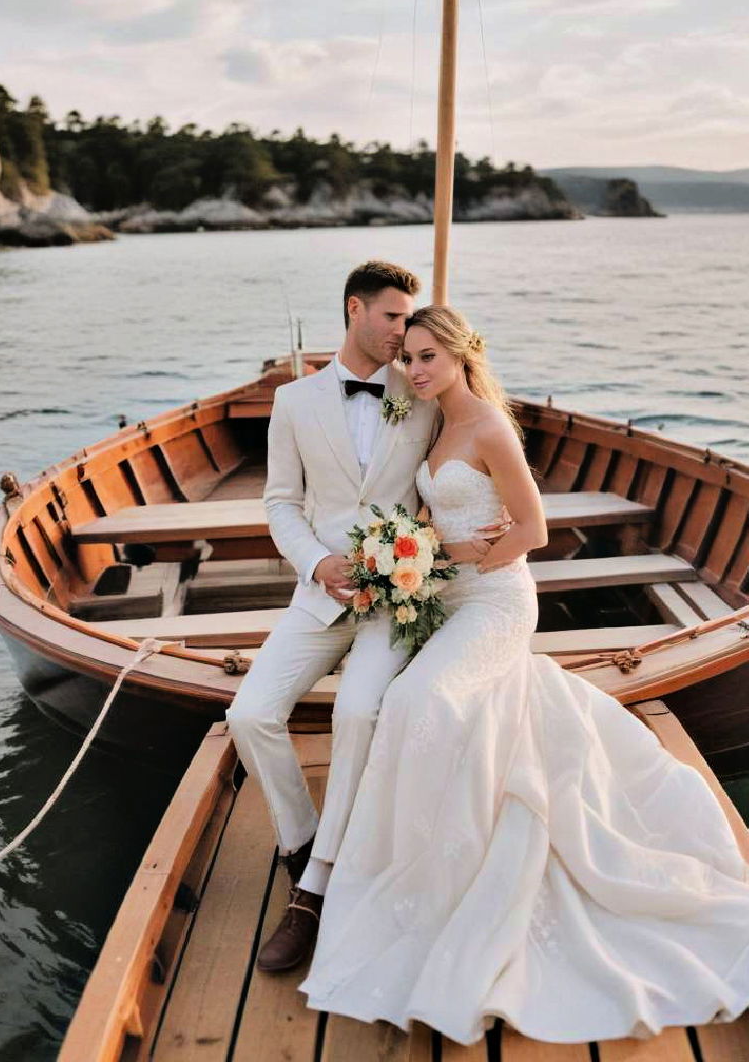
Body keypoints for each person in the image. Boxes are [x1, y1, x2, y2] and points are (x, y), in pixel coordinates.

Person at [298, 306, 749, 1044]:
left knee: (419, 698)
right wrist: (413, 552)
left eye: (428, 356)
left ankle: (453, 881)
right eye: (407, 357)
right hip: (444, 593)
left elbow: (533, 533)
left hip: (498, 602)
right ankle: (412, 867)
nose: (414, 370)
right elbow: (434, 521)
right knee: (430, 707)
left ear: (462, 356)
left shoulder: (492, 429)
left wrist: (443, 556)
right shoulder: (432, 424)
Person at [226, 265, 505, 973]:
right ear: (355, 310)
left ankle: (315, 894)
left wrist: (481, 528)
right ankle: (301, 842)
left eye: (411, 326)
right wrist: (316, 564)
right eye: (391, 320)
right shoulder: (293, 402)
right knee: (250, 713)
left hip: (395, 597)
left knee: (357, 715)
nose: (403, 336)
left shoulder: (420, 394)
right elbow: (281, 503)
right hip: (320, 593)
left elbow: (471, 442)